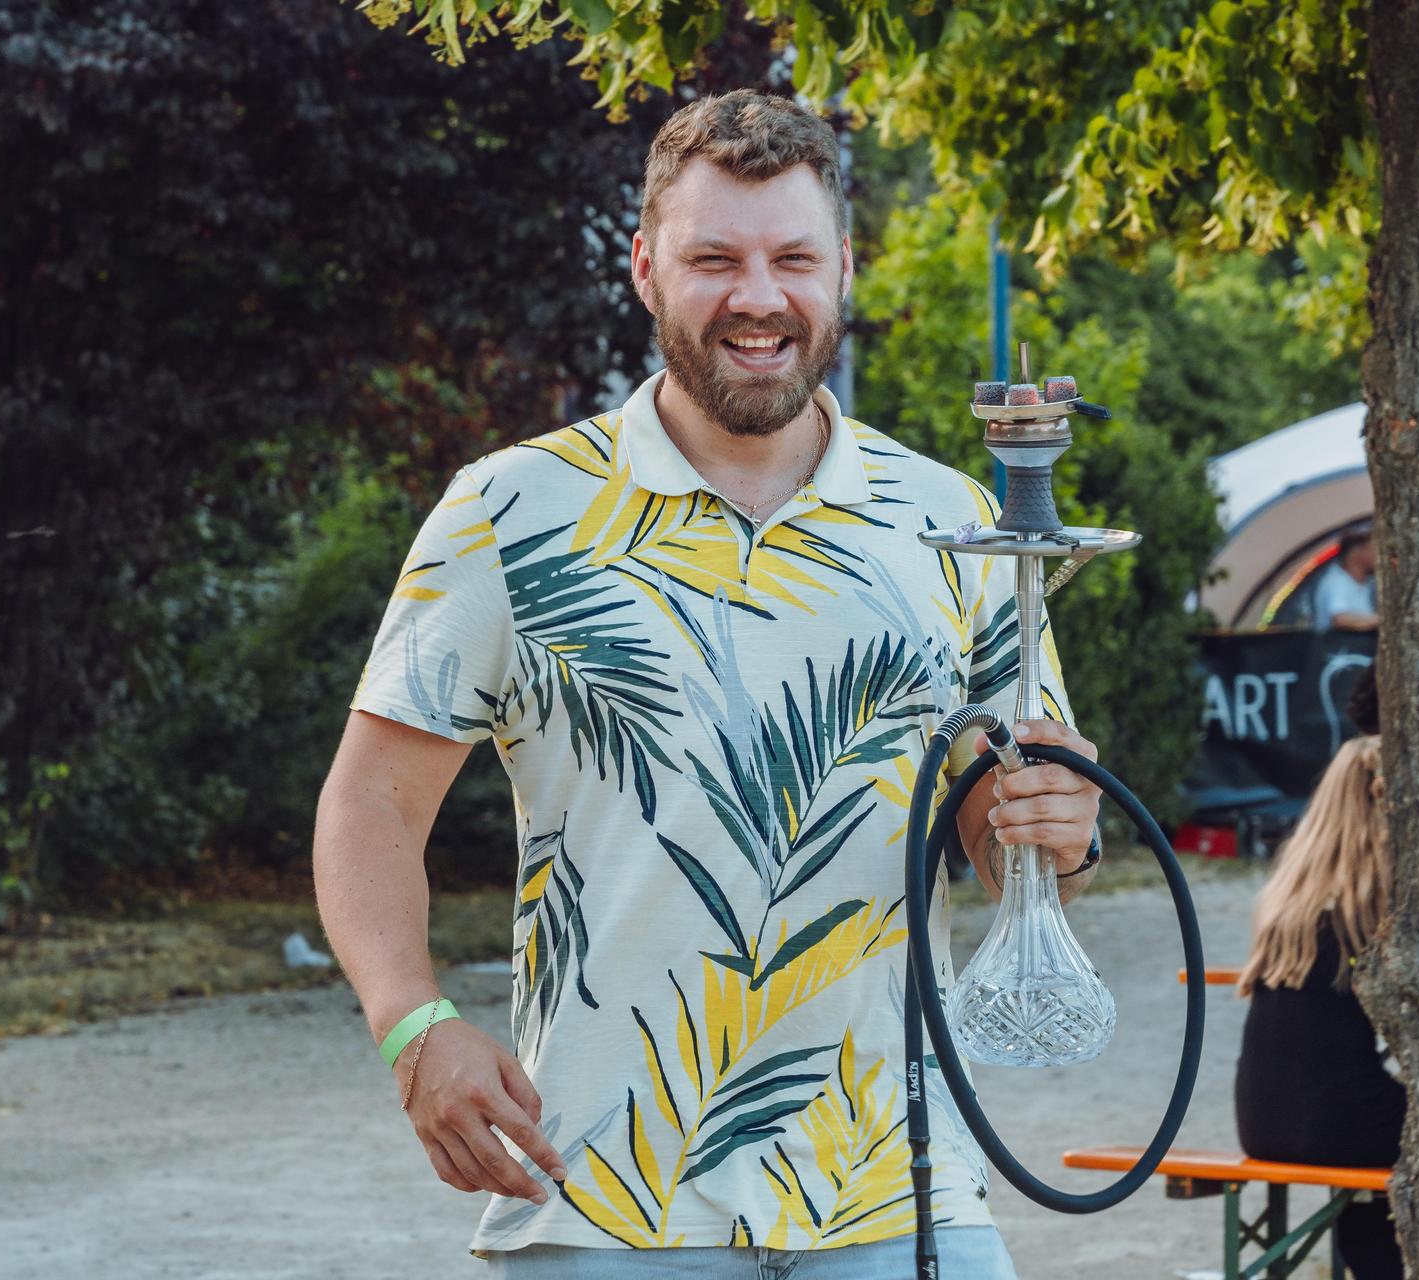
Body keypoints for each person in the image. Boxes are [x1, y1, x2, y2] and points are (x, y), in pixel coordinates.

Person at [312, 91, 1108, 1277]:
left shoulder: (956, 520)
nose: (758, 297)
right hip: (602, 1199)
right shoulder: (511, 510)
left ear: (845, 267)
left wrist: (1057, 825)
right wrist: (412, 1024)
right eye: (714, 259)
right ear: (644, 267)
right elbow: (370, 802)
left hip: (900, 1193)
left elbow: (1013, 839)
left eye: (793, 257)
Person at [1235, 734, 1404, 1279]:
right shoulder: (1378, 900)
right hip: (1343, 1123)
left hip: (1260, 1120)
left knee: (1369, 1165)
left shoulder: (1293, 891)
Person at [1311, 526, 1379, 632]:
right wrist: (1382, 621)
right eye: (1373, 549)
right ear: (1356, 552)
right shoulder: (1336, 582)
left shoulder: (1366, 583)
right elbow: (1340, 618)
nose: (1378, 556)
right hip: (1341, 647)